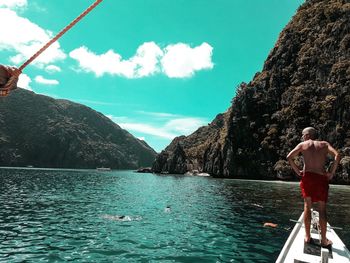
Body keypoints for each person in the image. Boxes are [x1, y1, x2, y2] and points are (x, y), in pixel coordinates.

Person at [287, 127, 340, 247]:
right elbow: (337, 155)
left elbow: (289, 157)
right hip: (321, 178)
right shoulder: (324, 144)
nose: (302, 136)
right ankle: (324, 240)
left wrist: (297, 171)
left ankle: (307, 237)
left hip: (308, 178)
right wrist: (331, 172)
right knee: (322, 209)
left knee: (307, 206)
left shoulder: (303, 144)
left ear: (308, 135)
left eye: (303, 134)